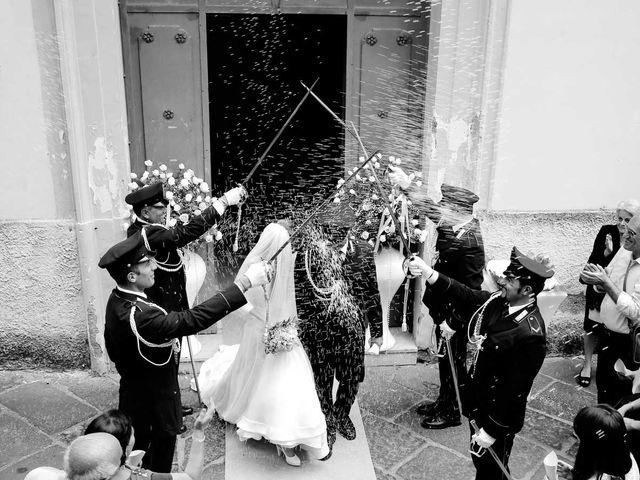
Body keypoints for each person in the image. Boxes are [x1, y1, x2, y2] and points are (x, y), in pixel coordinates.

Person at [99, 230, 272, 473]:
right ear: (131, 274)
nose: (154, 268)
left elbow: (114, 349)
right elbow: (193, 320)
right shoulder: (141, 315)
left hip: (134, 397)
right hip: (155, 411)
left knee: (139, 464)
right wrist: (244, 283)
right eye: (147, 263)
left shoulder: (117, 299)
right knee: (156, 468)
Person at [409, 246, 553, 480]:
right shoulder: (501, 301)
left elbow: (515, 390)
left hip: (498, 416)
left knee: (493, 470)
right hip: (479, 403)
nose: (502, 281)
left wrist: (493, 429)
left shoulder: (531, 335)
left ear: (526, 290)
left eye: (510, 279)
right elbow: (467, 295)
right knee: (481, 464)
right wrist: (428, 272)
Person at [197, 223, 330, 466]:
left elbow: (288, 299)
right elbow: (238, 295)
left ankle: (296, 437)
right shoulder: (255, 265)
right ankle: (280, 437)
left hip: (283, 330)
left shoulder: (286, 262)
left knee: (289, 380)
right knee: (252, 372)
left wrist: (282, 327)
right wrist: (256, 316)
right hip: (259, 329)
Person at [125, 182, 246, 418]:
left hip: (169, 307)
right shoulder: (148, 233)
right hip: (163, 311)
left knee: (169, 362)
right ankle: (167, 414)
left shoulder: (145, 228)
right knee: (165, 363)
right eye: (160, 208)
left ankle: (170, 406)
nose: (164, 211)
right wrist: (222, 203)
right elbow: (183, 234)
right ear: (145, 212)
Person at [389, 166, 485, 429]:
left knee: (453, 362)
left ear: (458, 211)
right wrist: (407, 185)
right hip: (444, 306)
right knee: (444, 360)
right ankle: (444, 401)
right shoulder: (455, 224)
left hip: (456, 314)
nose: (440, 210)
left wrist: (453, 323)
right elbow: (431, 209)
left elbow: (472, 294)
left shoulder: (471, 243)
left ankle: (453, 412)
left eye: (446, 206)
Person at [295, 223, 365, 457]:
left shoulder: (362, 250)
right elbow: (300, 294)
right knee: (322, 380)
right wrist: (304, 330)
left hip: (353, 334)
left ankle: (342, 414)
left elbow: (371, 290)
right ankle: (326, 422)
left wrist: (378, 332)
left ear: (348, 231)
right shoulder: (309, 256)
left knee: (351, 377)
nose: (335, 237)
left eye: (340, 233)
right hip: (320, 335)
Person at [577, 199, 640, 387]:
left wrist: (604, 282)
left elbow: (635, 311)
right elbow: (607, 277)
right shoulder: (624, 250)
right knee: (604, 386)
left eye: (631, 231)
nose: (625, 234)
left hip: (626, 342)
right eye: (621, 222)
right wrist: (597, 282)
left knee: (619, 390)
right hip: (608, 335)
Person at [84, 408, 214, 479]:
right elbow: (191, 477)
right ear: (124, 450)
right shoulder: (142, 478)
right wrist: (198, 432)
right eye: (132, 435)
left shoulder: (74, 472)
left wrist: (128, 463)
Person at [559, 405, 639, 480]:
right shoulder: (621, 455)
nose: (578, 441)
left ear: (591, 446)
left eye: (578, 437)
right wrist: (573, 475)